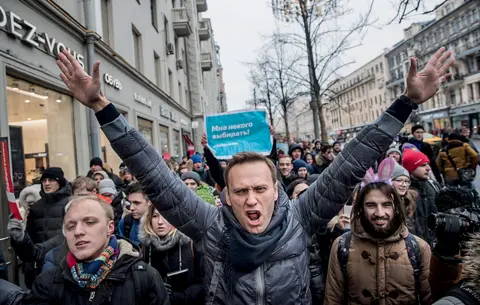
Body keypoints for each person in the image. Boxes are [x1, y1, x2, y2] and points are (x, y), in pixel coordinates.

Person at [56, 46, 453, 304]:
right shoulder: (210, 225)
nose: (251, 199)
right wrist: (103, 107)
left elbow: (351, 162)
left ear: (276, 193)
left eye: (260, 188)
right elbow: (154, 174)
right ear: (225, 196)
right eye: (240, 190)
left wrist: (405, 104)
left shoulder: (300, 217)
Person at [23, 196, 169, 305]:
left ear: (110, 227)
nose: (78, 231)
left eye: (90, 222)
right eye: (70, 226)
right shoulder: (47, 282)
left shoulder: (144, 277)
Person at [324, 171, 432, 304]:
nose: (380, 213)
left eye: (386, 205)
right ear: (361, 209)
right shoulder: (342, 246)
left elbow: (430, 298)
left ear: (396, 208)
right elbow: (333, 299)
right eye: (371, 205)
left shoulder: (418, 247)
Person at [139, 206, 205, 304]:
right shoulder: (144, 247)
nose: (160, 222)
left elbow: (203, 281)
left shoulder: (191, 243)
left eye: (166, 216)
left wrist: (177, 296)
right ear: (149, 219)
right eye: (155, 216)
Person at [22, 167, 71, 288]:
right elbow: (31, 236)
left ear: (59, 182)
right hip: (40, 263)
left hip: (64, 261)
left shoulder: (70, 204)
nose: (47, 183)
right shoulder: (36, 207)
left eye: (51, 180)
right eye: (44, 181)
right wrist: (28, 264)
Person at [403, 149, 440, 247]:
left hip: (435, 243)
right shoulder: (403, 191)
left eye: (428, 164)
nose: (428, 168)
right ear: (411, 168)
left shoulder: (434, 186)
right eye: (423, 165)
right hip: (415, 246)